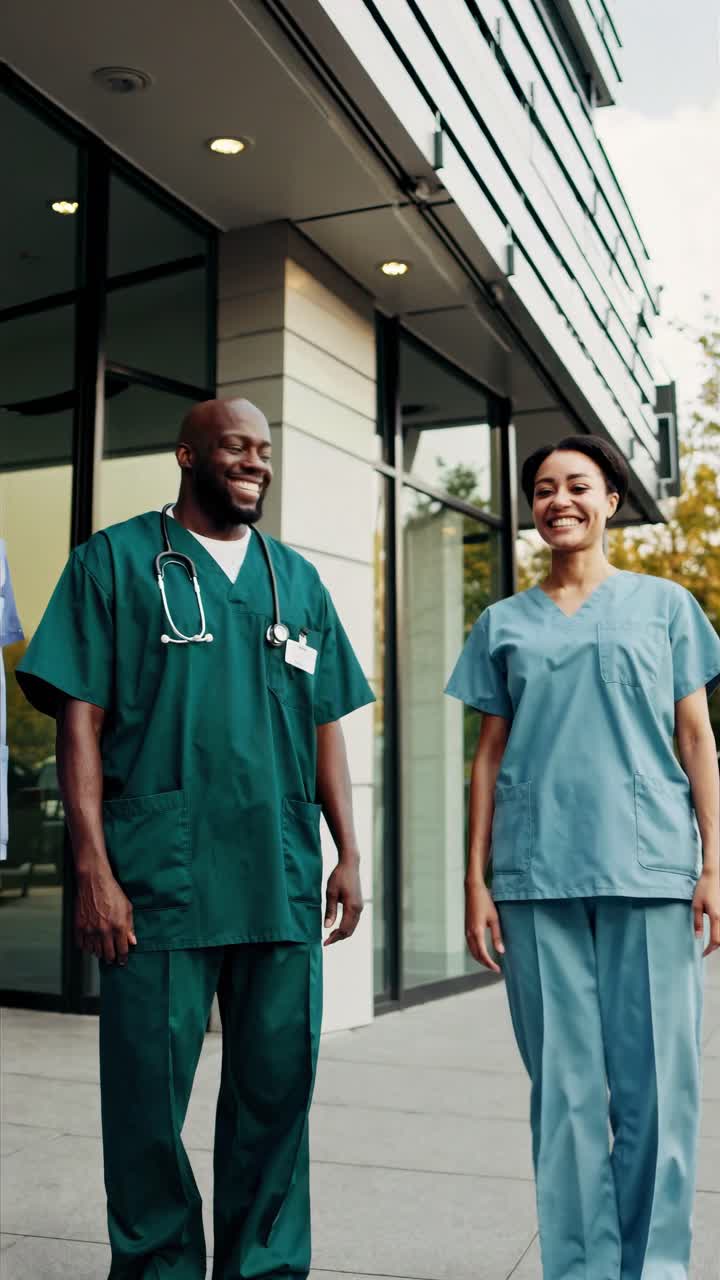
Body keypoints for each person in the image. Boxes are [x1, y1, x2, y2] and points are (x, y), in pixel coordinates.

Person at [16, 397, 375, 1280]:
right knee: (145, 1105)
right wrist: (92, 867)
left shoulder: (296, 579)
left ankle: (263, 1268)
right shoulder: (115, 561)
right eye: (235, 447)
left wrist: (348, 850)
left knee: (275, 1098)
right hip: (157, 878)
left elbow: (323, 721)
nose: (256, 461)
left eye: (264, 448)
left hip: (280, 873)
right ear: (187, 455)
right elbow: (79, 722)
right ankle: (157, 1269)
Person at [445, 435, 720, 1280]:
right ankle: (581, 1270)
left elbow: (696, 736)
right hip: (537, 880)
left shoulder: (666, 607)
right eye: (542, 489)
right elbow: (487, 757)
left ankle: (655, 1268)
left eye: (577, 486)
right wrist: (475, 879)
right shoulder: (503, 623)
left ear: (610, 501)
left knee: (657, 1094)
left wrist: (714, 864)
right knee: (564, 1100)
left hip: (651, 872)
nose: (558, 499)